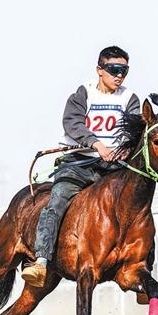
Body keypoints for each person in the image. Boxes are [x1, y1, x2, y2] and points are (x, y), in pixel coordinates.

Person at [21, 46, 141, 285]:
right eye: (114, 69)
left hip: (114, 168)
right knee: (57, 200)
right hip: (78, 163)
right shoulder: (83, 93)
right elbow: (73, 123)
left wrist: (124, 149)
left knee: (139, 210)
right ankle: (41, 262)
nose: (119, 75)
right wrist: (97, 144)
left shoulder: (130, 98)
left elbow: (135, 129)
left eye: (124, 70)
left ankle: (143, 272)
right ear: (99, 70)